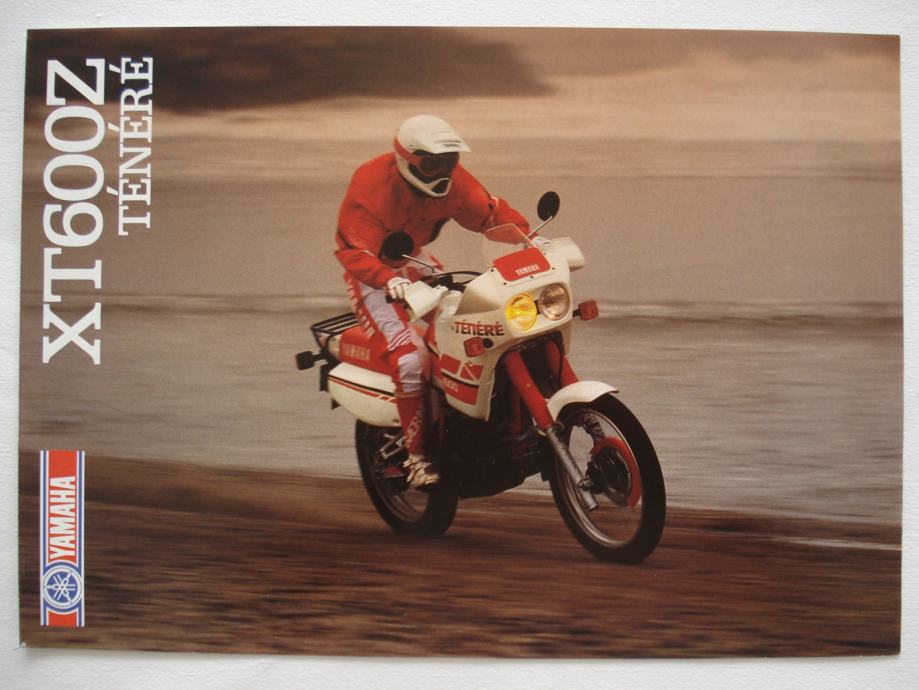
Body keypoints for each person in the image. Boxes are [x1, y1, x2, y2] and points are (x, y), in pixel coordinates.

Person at [335, 114, 530, 489]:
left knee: (474, 319)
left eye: (448, 161)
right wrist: (389, 281)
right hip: (371, 274)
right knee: (410, 358)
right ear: (407, 161)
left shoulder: (456, 183)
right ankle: (416, 458)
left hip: (413, 260)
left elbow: (490, 216)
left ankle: (471, 416)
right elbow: (353, 252)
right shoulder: (372, 185)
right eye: (432, 164)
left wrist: (530, 241)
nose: (442, 171)